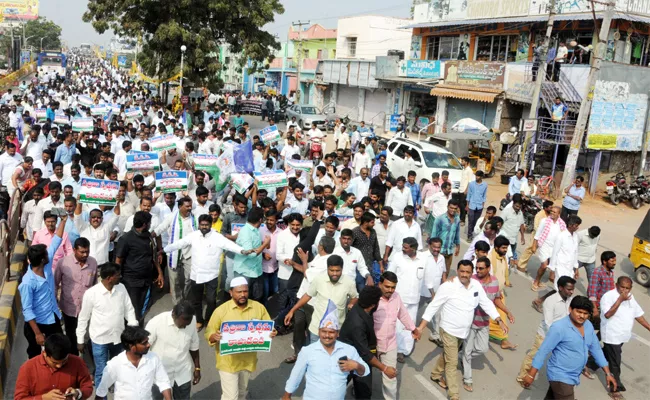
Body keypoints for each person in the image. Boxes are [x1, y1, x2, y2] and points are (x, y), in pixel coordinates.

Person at [417, 260, 507, 400]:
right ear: (457, 271)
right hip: (448, 330)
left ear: (472, 273)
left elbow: (486, 303)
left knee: (448, 354)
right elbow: (433, 306)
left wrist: (499, 320)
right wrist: (421, 327)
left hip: (463, 332)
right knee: (452, 363)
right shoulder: (448, 286)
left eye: (467, 272)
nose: (464, 274)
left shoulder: (476, 286)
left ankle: (435, 374)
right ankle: (454, 395)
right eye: (461, 271)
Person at [522, 296, 617, 398]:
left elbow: (596, 350)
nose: (582, 316)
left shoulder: (588, 326)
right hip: (560, 376)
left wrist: (608, 373)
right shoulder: (559, 327)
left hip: (574, 375)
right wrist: (531, 375)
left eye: (585, 314)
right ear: (570, 309)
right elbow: (543, 351)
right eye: (579, 312)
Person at [205, 277, 277, 400]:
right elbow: (209, 333)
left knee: (242, 393)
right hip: (228, 362)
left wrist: (272, 332)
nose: (243, 295)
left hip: (247, 361)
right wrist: (214, 336)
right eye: (239, 292)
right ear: (231, 292)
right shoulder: (221, 311)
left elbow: (268, 326)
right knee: (231, 397)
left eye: (245, 291)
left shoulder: (258, 308)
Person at [283, 300, 370, 400]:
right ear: (318, 332)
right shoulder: (307, 351)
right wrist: (287, 395)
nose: (327, 335)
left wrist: (356, 365)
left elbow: (365, 371)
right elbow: (296, 375)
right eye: (324, 331)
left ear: (338, 333)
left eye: (331, 332)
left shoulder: (349, 350)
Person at [76, 262, 138, 389]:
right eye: (118, 275)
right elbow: (83, 318)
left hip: (118, 338)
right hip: (100, 340)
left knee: (119, 369)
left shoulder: (121, 289)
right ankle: (101, 395)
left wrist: (132, 328)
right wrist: (80, 340)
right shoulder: (92, 293)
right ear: (109, 278)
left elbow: (129, 309)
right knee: (101, 372)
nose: (120, 277)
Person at [462, 257, 514, 392]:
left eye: (481, 268)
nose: (477, 270)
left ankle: (460, 356)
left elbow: (496, 300)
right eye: (476, 268)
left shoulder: (494, 282)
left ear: (488, 269)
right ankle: (467, 378)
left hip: (484, 322)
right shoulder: (471, 280)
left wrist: (507, 313)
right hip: (469, 322)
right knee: (467, 350)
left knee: (482, 348)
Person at [19, 214, 67, 359]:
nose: (49, 255)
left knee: (58, 352)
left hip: (53, 318)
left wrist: (63, 220)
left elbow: (56, 242)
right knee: (35, 357)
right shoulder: (27, 282)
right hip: (37, 325)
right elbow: (27, 310)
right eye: (47, 254)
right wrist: (38, 333)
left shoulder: (45, 267)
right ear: (41, 260)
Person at [517, 276, 576, 387]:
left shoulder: (570, 300)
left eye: (572, 289)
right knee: (534, 356)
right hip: (545, 335)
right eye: (569, 289)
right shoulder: (550, 301)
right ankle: (522, 376)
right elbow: (549, 323)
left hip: (561, 336)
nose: (571, 292)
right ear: (560, 288)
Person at [598, 277, 650, 398]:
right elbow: (607, 314)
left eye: (627, 288)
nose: (625, 290)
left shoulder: (630, 297)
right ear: (616, 285)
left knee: (606, 354)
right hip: (611, 334)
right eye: (622, 287)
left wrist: (649, 327)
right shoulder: (608, 296)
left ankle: (589, 364)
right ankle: (615, 389)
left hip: (622, 335)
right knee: (615, 362)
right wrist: (620, 300)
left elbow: (638, 315)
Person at [373, 272, 419, 399]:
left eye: (393, 287)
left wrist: (413, 329)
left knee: (390, 377)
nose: (390, 290)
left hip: (390, 344)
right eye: (387, 287)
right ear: (380, 284)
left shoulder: (396, 297)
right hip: (372, 344)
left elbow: (403, 314)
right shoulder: (373, 297)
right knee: (365, 373)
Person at [95, 325, 173, 400]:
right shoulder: (115, 364)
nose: (148, 345)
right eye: (144, 343)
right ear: (131, 346)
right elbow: (101, 391)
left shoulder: (153, 358)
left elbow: (163, 382)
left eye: (147, 341)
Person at [146, 301, 202, 400]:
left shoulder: (192, 320)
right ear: (173, 315)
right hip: (159, 374)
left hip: (182, 372)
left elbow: (194, 346)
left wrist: (197, 368)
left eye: (187, 325)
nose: (185, 327)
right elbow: (143, 347)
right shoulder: (156, 322)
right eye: (182, 324)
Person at [339, 286, 388, 398]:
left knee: (364, 393)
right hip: (348, 358)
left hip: (359, 354)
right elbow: (365, 352)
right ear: (373, 305)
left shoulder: (361, 307)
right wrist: (384, 368)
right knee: (336, 389)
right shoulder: (357, 324)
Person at [388, 237, 431, 363]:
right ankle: (392, 349)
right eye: (403, 246)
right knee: (395, 325)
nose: (403, 249)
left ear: (414, 248)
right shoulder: (397, 257)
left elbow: (427, 278)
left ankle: (403, 350)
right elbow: (389, 274)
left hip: (414, 300)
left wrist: (433, 294)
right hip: (398, 298)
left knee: (410, 325)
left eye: (406, 247)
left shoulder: (423, 259)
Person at [13, 333, 93, 400]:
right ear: (44, 354)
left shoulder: (77, 363)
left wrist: (77, 393)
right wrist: (43, 398)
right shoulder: (27, 368)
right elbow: (19, 398)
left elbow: (87, 387)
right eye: (54, 362)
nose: (59, 366)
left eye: (64, 361)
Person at [54, 237, 98, 357]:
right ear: (74, 250)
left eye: (87, 252)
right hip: (69, 307)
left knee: (86, 334)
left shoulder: (93, 263)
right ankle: (73, 357)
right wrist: (54, 303)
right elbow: (55, 283)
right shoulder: (63, 263)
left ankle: (86, 356)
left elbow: (95, 285)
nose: (85, 254)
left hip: (87, 308)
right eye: (82, 252)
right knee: (71, 334)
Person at [532, 215, 581, 311]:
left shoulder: (576, 236)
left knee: (563, 289)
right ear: (570, 225)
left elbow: (575, 252)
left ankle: (540, 301)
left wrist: (576, 268)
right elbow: (554, 253)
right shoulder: (561, 236)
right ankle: (561, 308)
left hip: (569, 268)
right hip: (560, 267)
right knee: (561, 289)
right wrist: (552, 271)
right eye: (576, 225)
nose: (578, 227)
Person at [233, 207, 273, 302]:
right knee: (243, 299)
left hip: (256, 271)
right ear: (260, 220)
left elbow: (256, 247)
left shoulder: (255, 230)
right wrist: (265, 244)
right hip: (245, 272)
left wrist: (263, 251)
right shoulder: (246, 232)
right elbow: (250, 254)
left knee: (256, 298)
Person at [531, 206, 566, 292]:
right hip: (544, 246)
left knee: (548, 266)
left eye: (555, 212)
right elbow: (538, 233)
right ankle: (536, 281)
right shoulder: (544, 221)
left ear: (559, 214)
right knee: (544, 265)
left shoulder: (562, 224)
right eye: (551, 211)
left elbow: (564, 237)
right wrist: (534, 245)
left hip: (554, 249)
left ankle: (542, 281)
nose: (552, 213)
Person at [517, 200, 553, 273]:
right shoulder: (539, 215)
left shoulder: (550, 215)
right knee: (530, 249)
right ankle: (521, 265)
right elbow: (537, 227)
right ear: (545, 208)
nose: (551, 209)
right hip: (537, 236)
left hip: (547, 237)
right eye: (550, 207)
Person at [430, 198, 461, 275]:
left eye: (455, 208)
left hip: (449, 251)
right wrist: (432, 250)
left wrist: (458, 245)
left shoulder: (457, 218)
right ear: (447, 207)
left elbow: (457, 232)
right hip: (439, 251)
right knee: (436, 273)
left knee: (445, 273)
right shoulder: (440, 219)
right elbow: (433, 235)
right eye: (451, 208)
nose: (453, 210)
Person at [499, 197, 525, 263]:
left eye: (519, 207)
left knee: (510, 259)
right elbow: (499, 223)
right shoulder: (506, 211)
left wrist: (522, 236)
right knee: (502, 258)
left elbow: (521, 224)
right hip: (505, 239)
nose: (518, 208)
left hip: (514, 240)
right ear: (513, 203)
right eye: (516, 206)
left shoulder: (520, 213)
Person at [466, 170, 487, 241]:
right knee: (470, 220)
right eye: (476, 176)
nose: (476, 177)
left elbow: (484, 195)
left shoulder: (485, 185)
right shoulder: (471, 184)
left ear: (481, 177)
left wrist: (483, 205)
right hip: (471, 205)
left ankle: (472, 232)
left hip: (479, 206)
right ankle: (469, 236)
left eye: (478, 176)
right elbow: (469, 194)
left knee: (476, 221)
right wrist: (467, 205)